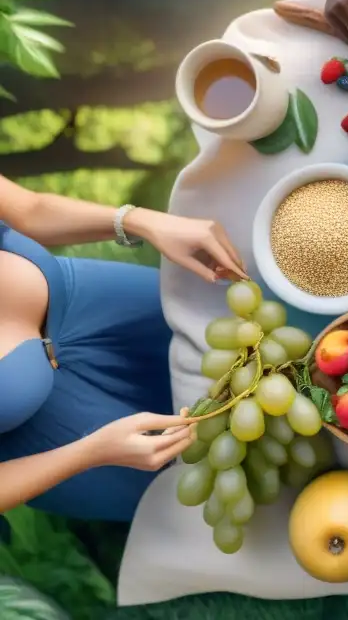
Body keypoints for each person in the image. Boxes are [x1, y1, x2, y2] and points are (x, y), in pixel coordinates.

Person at [0, 174, 247, 520]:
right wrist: (91, 453)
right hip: (66, 442)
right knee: (240, 484)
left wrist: (141, 221)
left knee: (263, 342)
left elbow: (29, 209)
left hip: (93, 299)